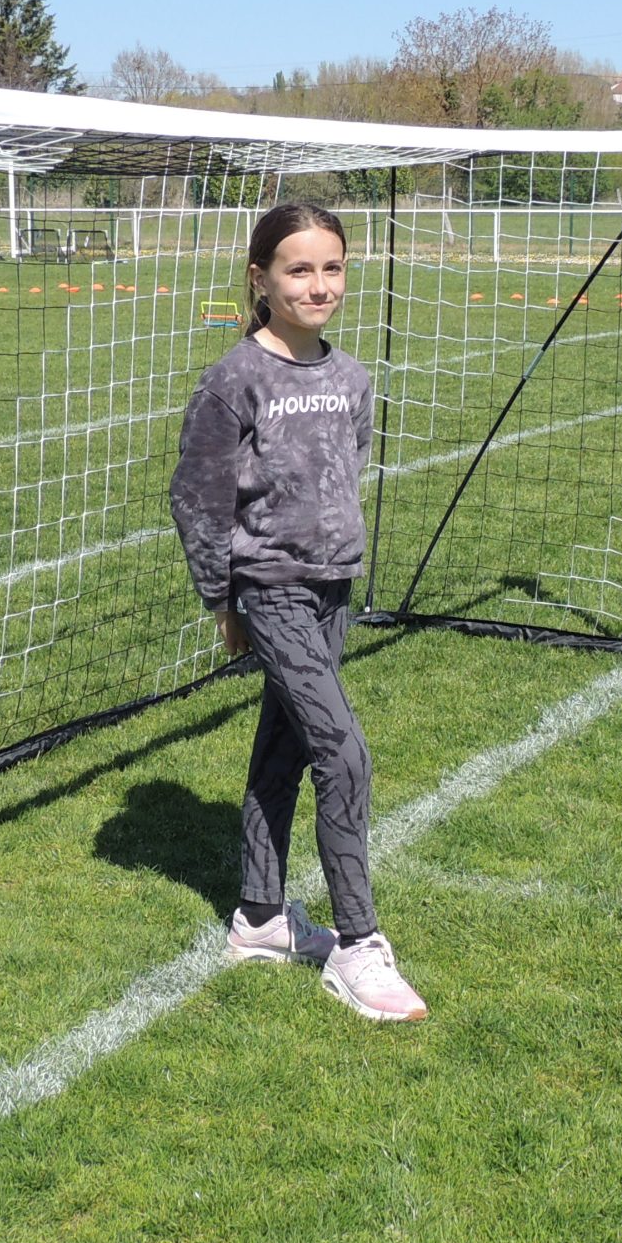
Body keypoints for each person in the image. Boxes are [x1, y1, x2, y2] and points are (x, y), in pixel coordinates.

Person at [168, 201, 426, 1022]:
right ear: (261, 279)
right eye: (299, 269)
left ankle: (259, 919)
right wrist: (222, 599)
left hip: (333, 587)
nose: (319, 286)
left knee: (283, 749)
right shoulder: (234, 380)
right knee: (342, 753)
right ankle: (358, 944)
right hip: (269, 587)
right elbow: (197, 498)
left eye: (332, 268)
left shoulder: (351, 378)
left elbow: (348, 466)